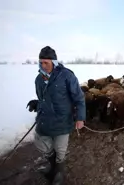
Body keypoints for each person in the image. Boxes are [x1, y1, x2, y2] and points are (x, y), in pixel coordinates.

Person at [27, 46, 86, 185]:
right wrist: (38, 104)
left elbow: (79, 97)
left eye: (46, 62)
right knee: (40, 141)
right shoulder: (39, 79)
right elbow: (43, 98)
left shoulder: (67, 76)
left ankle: (58, 173)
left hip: (62, 120)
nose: (43, 65)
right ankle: (53, 166)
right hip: (45, 119)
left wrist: (80, 117)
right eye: (41, 62)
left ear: (54, 61)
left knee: (60, 150)